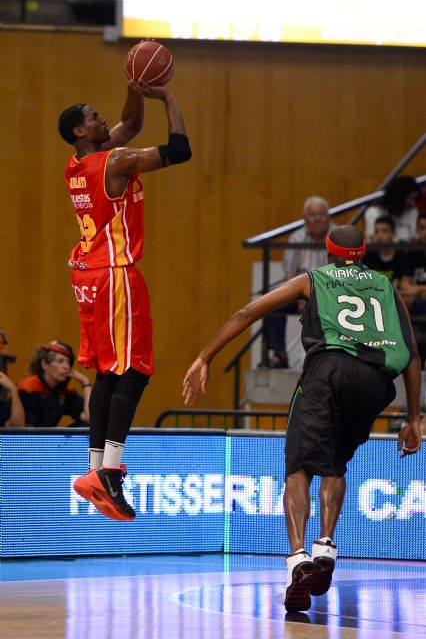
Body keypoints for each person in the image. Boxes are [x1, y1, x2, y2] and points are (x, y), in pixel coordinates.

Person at [183, 225, 421, 613]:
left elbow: (248, 312)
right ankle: (325, 545)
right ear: (363, 253)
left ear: (328, 253)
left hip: (328, 370)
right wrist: (413, 418)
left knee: (299, 467)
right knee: (335, 463)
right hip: (376, 383)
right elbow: (411, 356)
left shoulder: (313, 279)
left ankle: (297, 557)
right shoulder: (386, 287)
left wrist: (205, 356)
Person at [58, 78, 191, 521]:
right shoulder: (114, 161)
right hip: (114, 275)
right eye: (94, 117)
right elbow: (179, 150)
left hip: (87, 274)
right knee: (134, 370)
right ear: (81, 130)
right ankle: (110, 472)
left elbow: (131, 123)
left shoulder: (77, 165)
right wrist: (166, 96)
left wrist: (136, 85)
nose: (103, 119)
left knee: (107, 373)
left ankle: (95, 468)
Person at [268, 196, 336, 367]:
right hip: (300, 292)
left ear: (328, 216)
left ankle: (334, 355)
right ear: (305, 219)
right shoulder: (296, 238)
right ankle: (279, 353)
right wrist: (299, 297)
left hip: (331, 292)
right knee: (272, 303)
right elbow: (289, 274)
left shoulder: (338, 236)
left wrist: (313, 297)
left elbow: (342, 272)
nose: (318, 218)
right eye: (313, 215)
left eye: (321, 214)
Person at [17, 341, 91, 427]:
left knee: (86, 426)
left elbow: (89, 418)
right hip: (29, 435)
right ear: (45, 365)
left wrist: (85, 382)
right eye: (60, 361)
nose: (66, 367)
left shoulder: (63, 391)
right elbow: (26, 429)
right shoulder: (28, 388)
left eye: (68, 362)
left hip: (50, 435)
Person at [399, 212, 426, 367]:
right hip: (418, 300)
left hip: (418, 298)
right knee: (402, 298)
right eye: (422, 228)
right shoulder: (414, 252)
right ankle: (409, 353)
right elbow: (404, 284)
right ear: (417, 231)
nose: (425, 232)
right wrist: (421, 290)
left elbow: (409, 286)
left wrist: (415, 289)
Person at [364, 175, 420, 242]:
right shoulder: (373, 212)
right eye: (410, 198)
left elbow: (416, 239)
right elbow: (371, 240)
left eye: (415, 199)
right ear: (398, 197)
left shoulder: (413, 212)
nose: (413, 203)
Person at [363, 215, 404, 286]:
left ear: (393, 234)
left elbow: (397, 285)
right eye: (377, 231)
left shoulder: (401, 256)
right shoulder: (368, 256)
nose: (380, 235)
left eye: (385, 231)